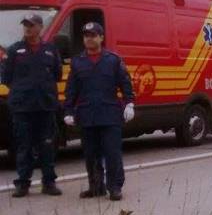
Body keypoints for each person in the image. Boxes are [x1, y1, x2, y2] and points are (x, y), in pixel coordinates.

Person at [64, 22, 135, 201]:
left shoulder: (112, 60)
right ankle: (96, 187)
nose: (89, 38)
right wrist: (69, 111)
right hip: (87, 115)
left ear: (101, 38)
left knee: (112, 153)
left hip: (110, 115)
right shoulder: (78, 62)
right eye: (86, 35)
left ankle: (115, 187)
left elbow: (125, 83)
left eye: (93, 35)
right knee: (91, 154)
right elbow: (72, 89)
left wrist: (129, 103)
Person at [2, 14, 63, 197]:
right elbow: (6, 78)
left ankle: (49, 182)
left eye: (31, 25)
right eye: (25, 25)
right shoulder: (14, 51)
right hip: (23, 107)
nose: (28, 28)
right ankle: (23, 183)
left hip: (45, 106)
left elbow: (57, 75)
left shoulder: (50, 50)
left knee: (47, 145)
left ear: (40, 28)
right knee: (24, 146)